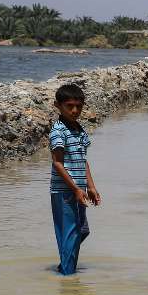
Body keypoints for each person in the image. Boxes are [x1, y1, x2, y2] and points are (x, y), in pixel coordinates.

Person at [49, 83, 101, 275]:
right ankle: (68, 279)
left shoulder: (78, 130)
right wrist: (76, 189)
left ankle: (65, 266)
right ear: (58, 106)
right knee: (71, 234)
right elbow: (57, 163)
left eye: (78, 106)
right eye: (69, 106)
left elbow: (83, 160)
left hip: (78, 190)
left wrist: (91, 187)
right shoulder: (58, 131)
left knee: (82, 231)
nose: (74, 110)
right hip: (64, 191)